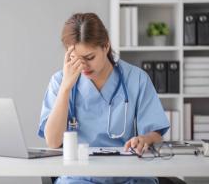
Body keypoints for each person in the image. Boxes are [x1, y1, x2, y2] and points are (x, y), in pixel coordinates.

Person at [37, 13, 170, 184]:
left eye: (89, 57)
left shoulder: (136, 79)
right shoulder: (59, 82)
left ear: (105, 46)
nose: (83, 66)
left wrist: (145, 139)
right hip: (80, 177)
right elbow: (53, 142)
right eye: (75, 59)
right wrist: (65, 88)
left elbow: (156, 134)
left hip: (130, 176)